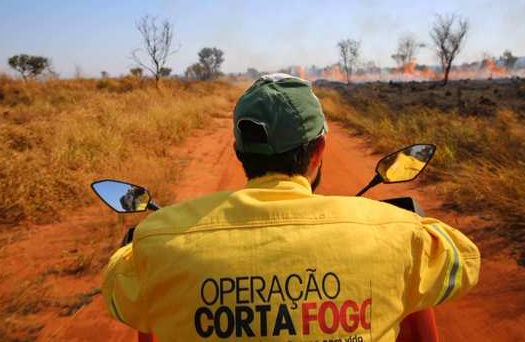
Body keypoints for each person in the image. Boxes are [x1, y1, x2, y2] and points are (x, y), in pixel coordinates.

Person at [102, 74, 480, 341]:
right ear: (318, 150)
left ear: (239, 152)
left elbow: (118, 295)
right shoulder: (400, 233)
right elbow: (465, 262)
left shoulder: (156, 243)